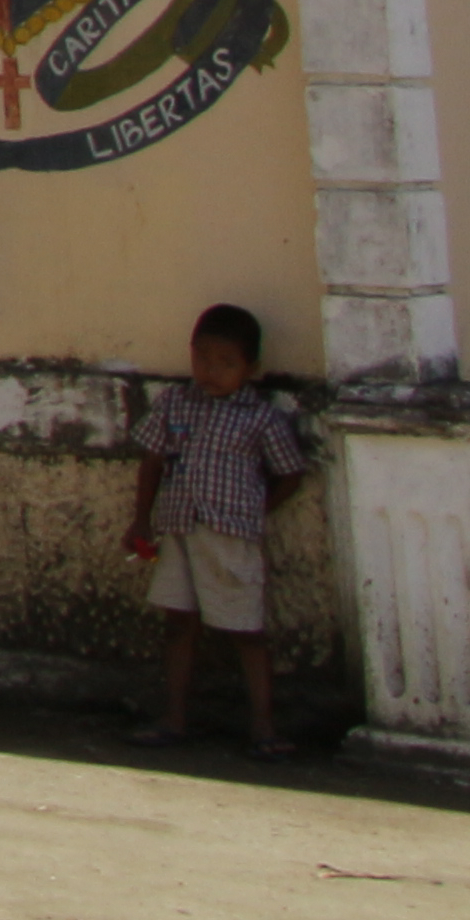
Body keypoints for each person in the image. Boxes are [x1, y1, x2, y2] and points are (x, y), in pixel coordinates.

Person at [126, 299, 310, 755]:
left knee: (245, 630)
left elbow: (291, 473)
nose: (211, 370)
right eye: (202, 358)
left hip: (230, 538)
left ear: (251, 368)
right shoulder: (175, 403)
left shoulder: (259, 417)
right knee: (177, 623)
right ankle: (173, 718)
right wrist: (141, 519)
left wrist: (255, 510)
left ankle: (264, 727)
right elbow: (151, 460)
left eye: (226, 362)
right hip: (179, 530)